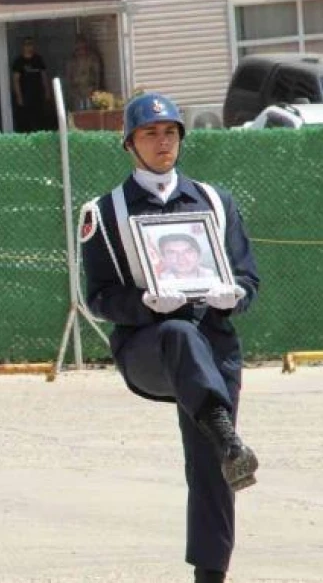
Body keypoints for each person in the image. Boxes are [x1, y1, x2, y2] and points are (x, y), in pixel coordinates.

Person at [79, 93, 260, 583]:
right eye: (150, 134)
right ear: (129, 144)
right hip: (149, 346)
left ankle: (210, 575)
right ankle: (223, 430)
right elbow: (95, 296)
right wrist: (142, 305)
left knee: (216, 465)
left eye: (171, 133)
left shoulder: (215, 202)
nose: (163, 143)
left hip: (214, 344)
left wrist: (232, 295)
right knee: (178, 331)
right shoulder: (106, 211)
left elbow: (248, 278)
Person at [11, 37, 52, 132]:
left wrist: (47, 91)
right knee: (26, 120)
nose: (29, 47)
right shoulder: (18, 62)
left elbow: (44, 77)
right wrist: (19, 97)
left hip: (38, 94)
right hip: (25, 95)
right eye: (27, 44)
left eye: (31, 44)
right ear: (23, 46)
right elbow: (16, 80)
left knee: (40, 118)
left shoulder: (38, 59)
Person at [66, 35, 102, 112]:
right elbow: (68, 76)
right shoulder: (72, 61)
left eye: (82, 47)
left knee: (91, 112)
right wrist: (72, 92)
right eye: (78, 48)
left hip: (90, 89)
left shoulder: (92, 58)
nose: (81, 50)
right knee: (78, 113)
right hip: (77, 91)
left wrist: (95, 90)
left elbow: (97, 75)